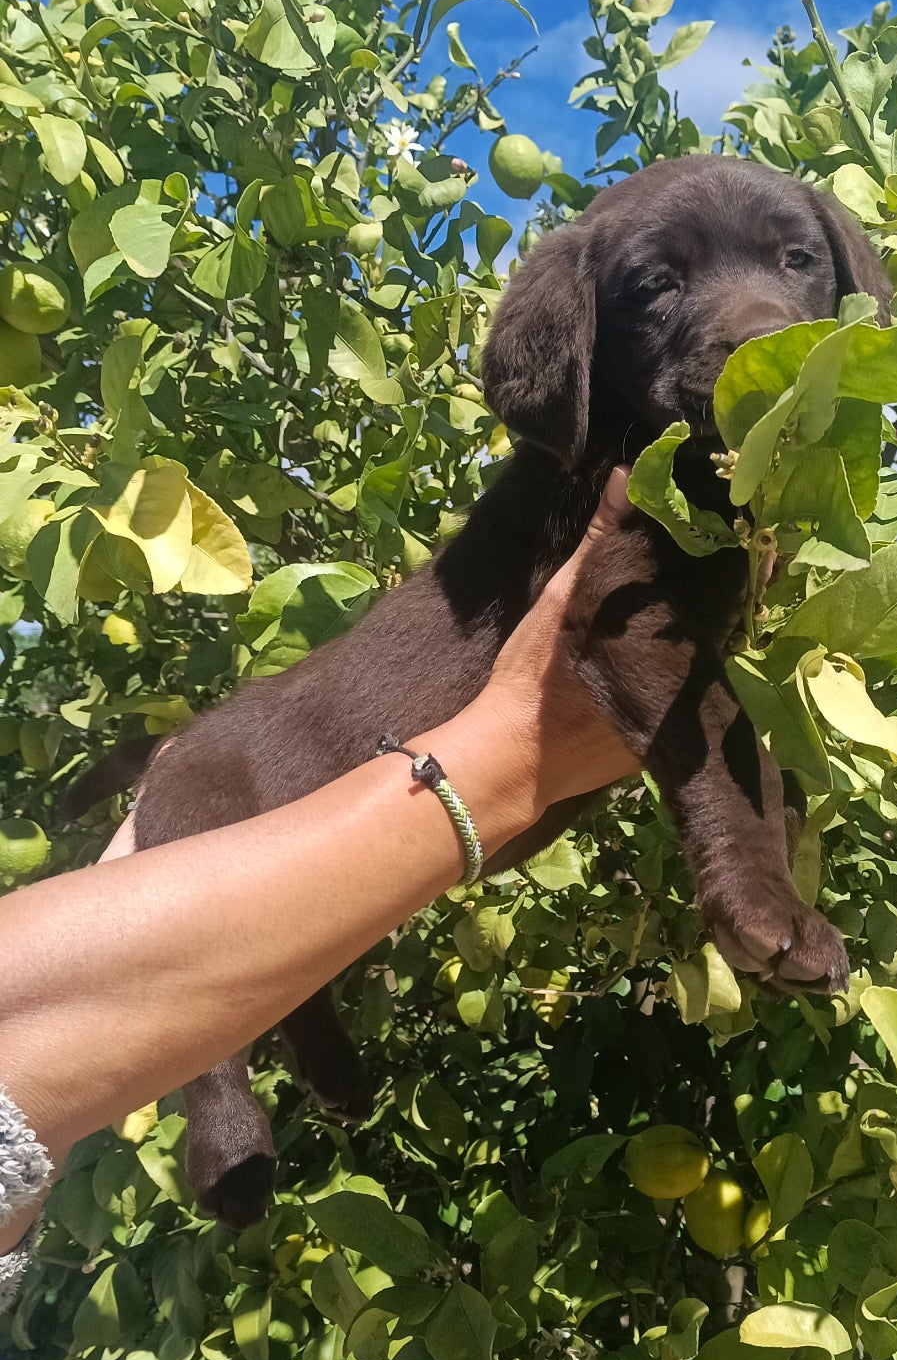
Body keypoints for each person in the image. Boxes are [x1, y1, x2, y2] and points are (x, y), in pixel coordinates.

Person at [0, 469, 639, 1305]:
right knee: (201, 797)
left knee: (214, 828)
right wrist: (507, 754)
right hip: (245, 768)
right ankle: (228, 1087)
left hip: (247, 772)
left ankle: (301, 1031)